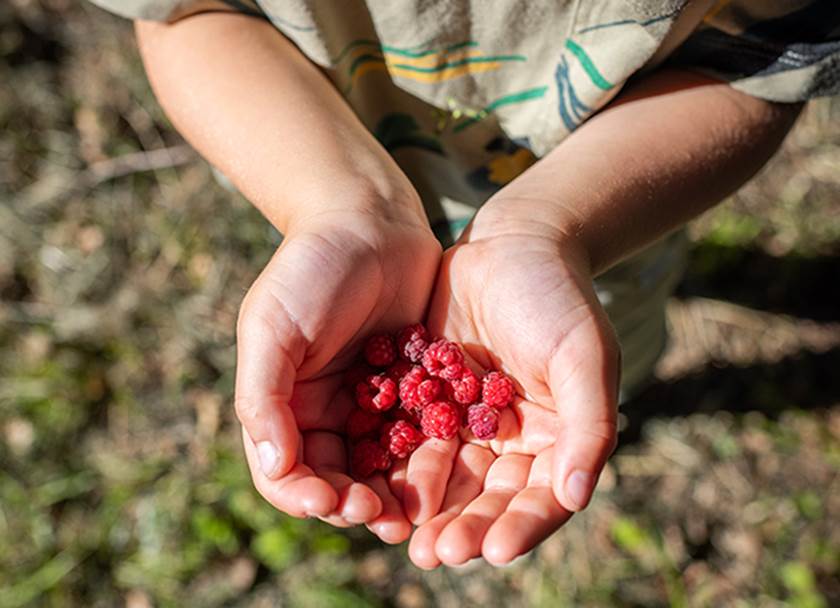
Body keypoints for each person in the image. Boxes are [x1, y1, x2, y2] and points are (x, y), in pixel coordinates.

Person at [89, 0, 838, 568]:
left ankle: (634, 390)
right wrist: (336, 206)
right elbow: (184, 12)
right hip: (308, 163)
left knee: (606, 357)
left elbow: (761, 60)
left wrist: (550, 228)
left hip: (607, 213)